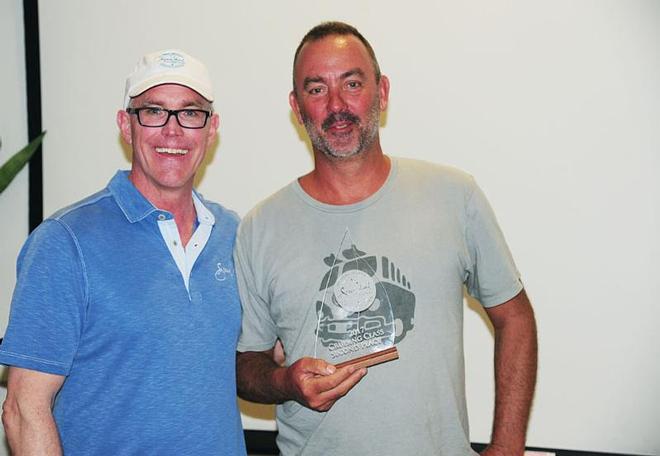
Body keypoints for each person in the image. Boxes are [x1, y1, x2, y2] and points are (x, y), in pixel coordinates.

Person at [235, 22, 537, 456]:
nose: (337, 105)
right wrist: (286, 382)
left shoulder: (454, 195)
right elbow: (248, 365)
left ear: (382, 92)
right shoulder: (259, 227)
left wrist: (508, 445)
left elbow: (516, 317)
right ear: (297, 107)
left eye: (352, 83)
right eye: (317, 90)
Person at [0, 49, 246, 455]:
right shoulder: (64, 242)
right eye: (153, 111)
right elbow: (24, 409)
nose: (173, 130)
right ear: (125, 126)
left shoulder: (234, 234)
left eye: (190, 113)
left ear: (211, 128)